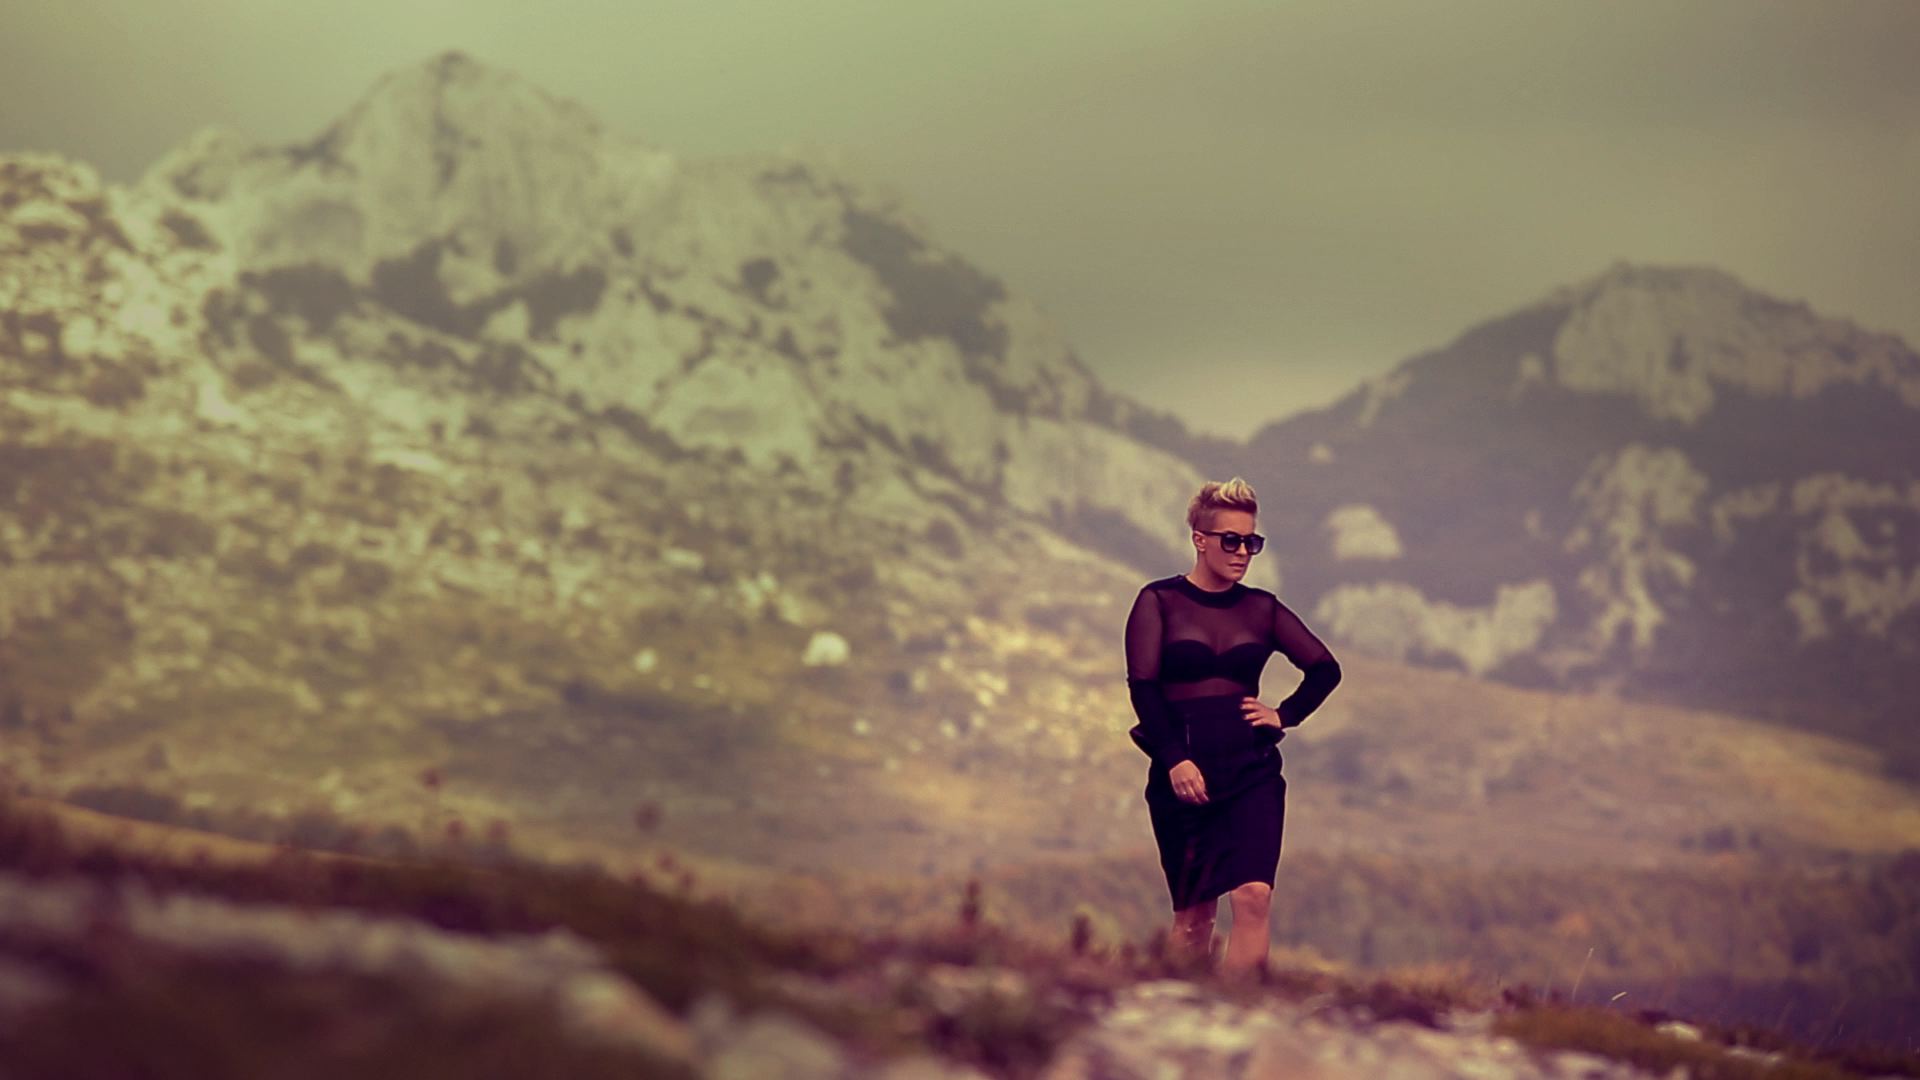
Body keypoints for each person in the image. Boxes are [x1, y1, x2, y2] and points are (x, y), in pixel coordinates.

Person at [1125, 476, 1342, 979]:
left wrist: (1284, 714)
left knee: (1254, 895)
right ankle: (1185, 1007)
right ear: (1200, 539)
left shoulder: (1262, 608)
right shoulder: (1158, 601)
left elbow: (1325, 669)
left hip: (1252, 769)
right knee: (1195, 915)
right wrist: (1175, 759)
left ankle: (1244, 1005)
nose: (1243, 552)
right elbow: (1144, 688)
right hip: (1183, 773)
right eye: (1231, 540)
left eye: (1251, 542)